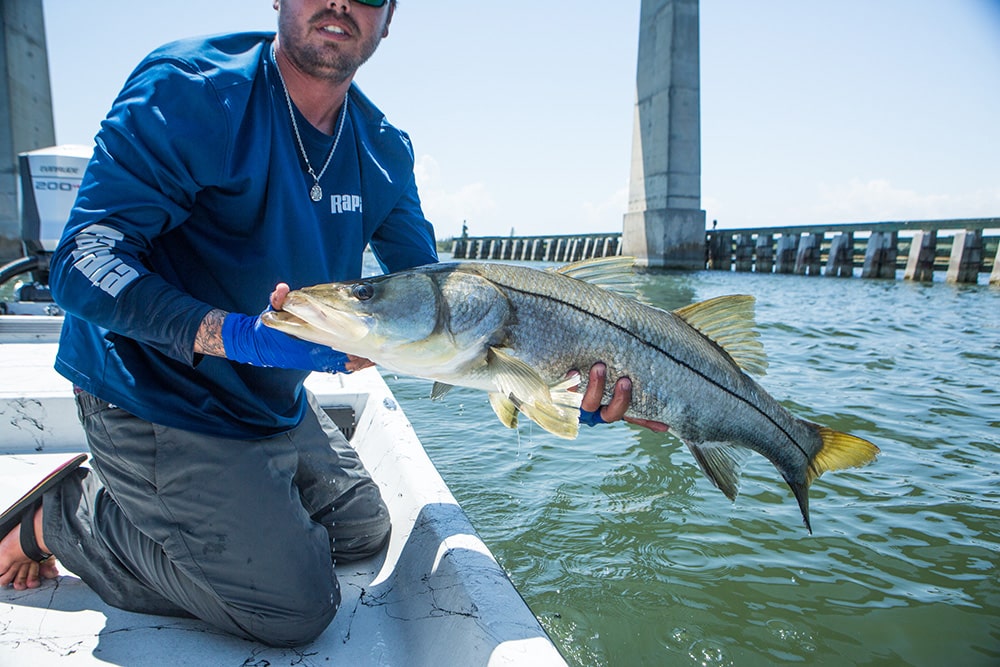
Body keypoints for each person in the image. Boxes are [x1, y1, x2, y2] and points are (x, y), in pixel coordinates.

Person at [0, 0, 662, 647]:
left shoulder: (382, 149)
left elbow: (442, 305)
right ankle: (70, 516)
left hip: (268, 403)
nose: (342, 1)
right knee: (295, 606)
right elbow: (81, 263)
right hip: (152, 396)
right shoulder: (191, 91)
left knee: (365, 529)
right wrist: (230, 334)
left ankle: (192, 491)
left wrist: (561, 376)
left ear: (390, 15)